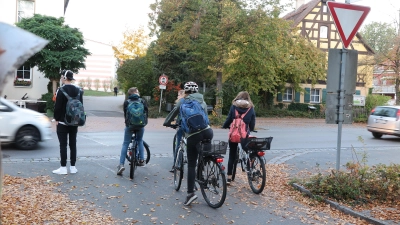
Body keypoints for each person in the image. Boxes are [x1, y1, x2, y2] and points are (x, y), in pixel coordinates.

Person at [163, 81, 213, 206]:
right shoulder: (203, 102)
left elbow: (172, 114)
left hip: (192, 135)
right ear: (197, 91)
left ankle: (190, 194)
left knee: (191, 164)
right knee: (203, 155)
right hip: (208, 131)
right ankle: (202, 172)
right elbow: (206, 118)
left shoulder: (182, 102)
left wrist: (167, 123)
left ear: (185, 91)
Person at [53, 70, 84, 175]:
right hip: (74, 122)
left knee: (63, 145)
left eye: (62, 76)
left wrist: (56, 119)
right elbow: (81, 106)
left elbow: (57, 107)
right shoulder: (78, 90)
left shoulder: (60, 90)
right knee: (73, 144)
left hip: (63, 122)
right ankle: (73, 167)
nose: (61, 78)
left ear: (64, 78)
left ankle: (63, 168)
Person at [222, 91, 256, 185]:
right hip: (244, 134)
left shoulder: (234, 106)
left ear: (238, 97)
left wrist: (224, 126)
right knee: (249, 152)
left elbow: (229, 118)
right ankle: (251, 169)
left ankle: (229, 178)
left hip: (234, 134)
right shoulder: (251, 108)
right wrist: (251, 129)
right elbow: (252, 122)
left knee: (232, 156)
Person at [117, 87, 148, 175]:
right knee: (139, 140)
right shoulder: (142, 101)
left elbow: (125, 115)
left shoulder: (127, 102)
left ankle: (121, 164)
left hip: (130, 126)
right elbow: (146, 113)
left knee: (125, 143)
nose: (139, 92)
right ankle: (142, 159)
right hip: (141, 125)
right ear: (135, 92)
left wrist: (127, 124)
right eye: (138, 91)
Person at [168, 90, 186, 173]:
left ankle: (176, 165)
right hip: (193, 126)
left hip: (182, 126)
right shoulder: (193, 101)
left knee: (178, 145)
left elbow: (175, 113)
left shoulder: (181, 102)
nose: (177, 97)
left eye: (178, 95)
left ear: (182, 95)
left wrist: (168, 122)